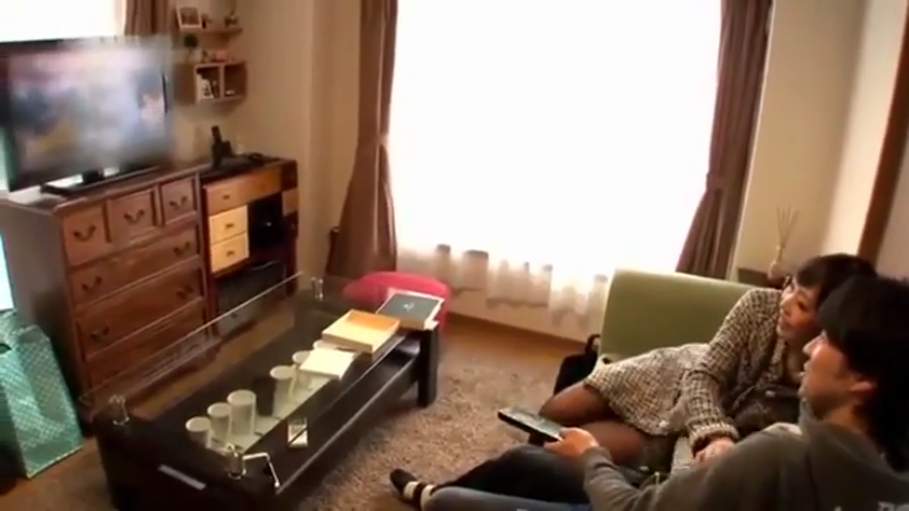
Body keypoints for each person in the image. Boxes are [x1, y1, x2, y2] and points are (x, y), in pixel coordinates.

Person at [388, 253, 877, 508]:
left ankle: (475, 493)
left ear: (830, 320)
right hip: (677, 378)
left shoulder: (808, 413)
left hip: (682, 440)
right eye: (789, 287)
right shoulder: (760, 308)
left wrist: (699, 447)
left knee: (559, 452)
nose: (785, 303)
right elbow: (705, 374)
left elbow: (702, 480)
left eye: (802, 303)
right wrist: (716, 432)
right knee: (553, 413)